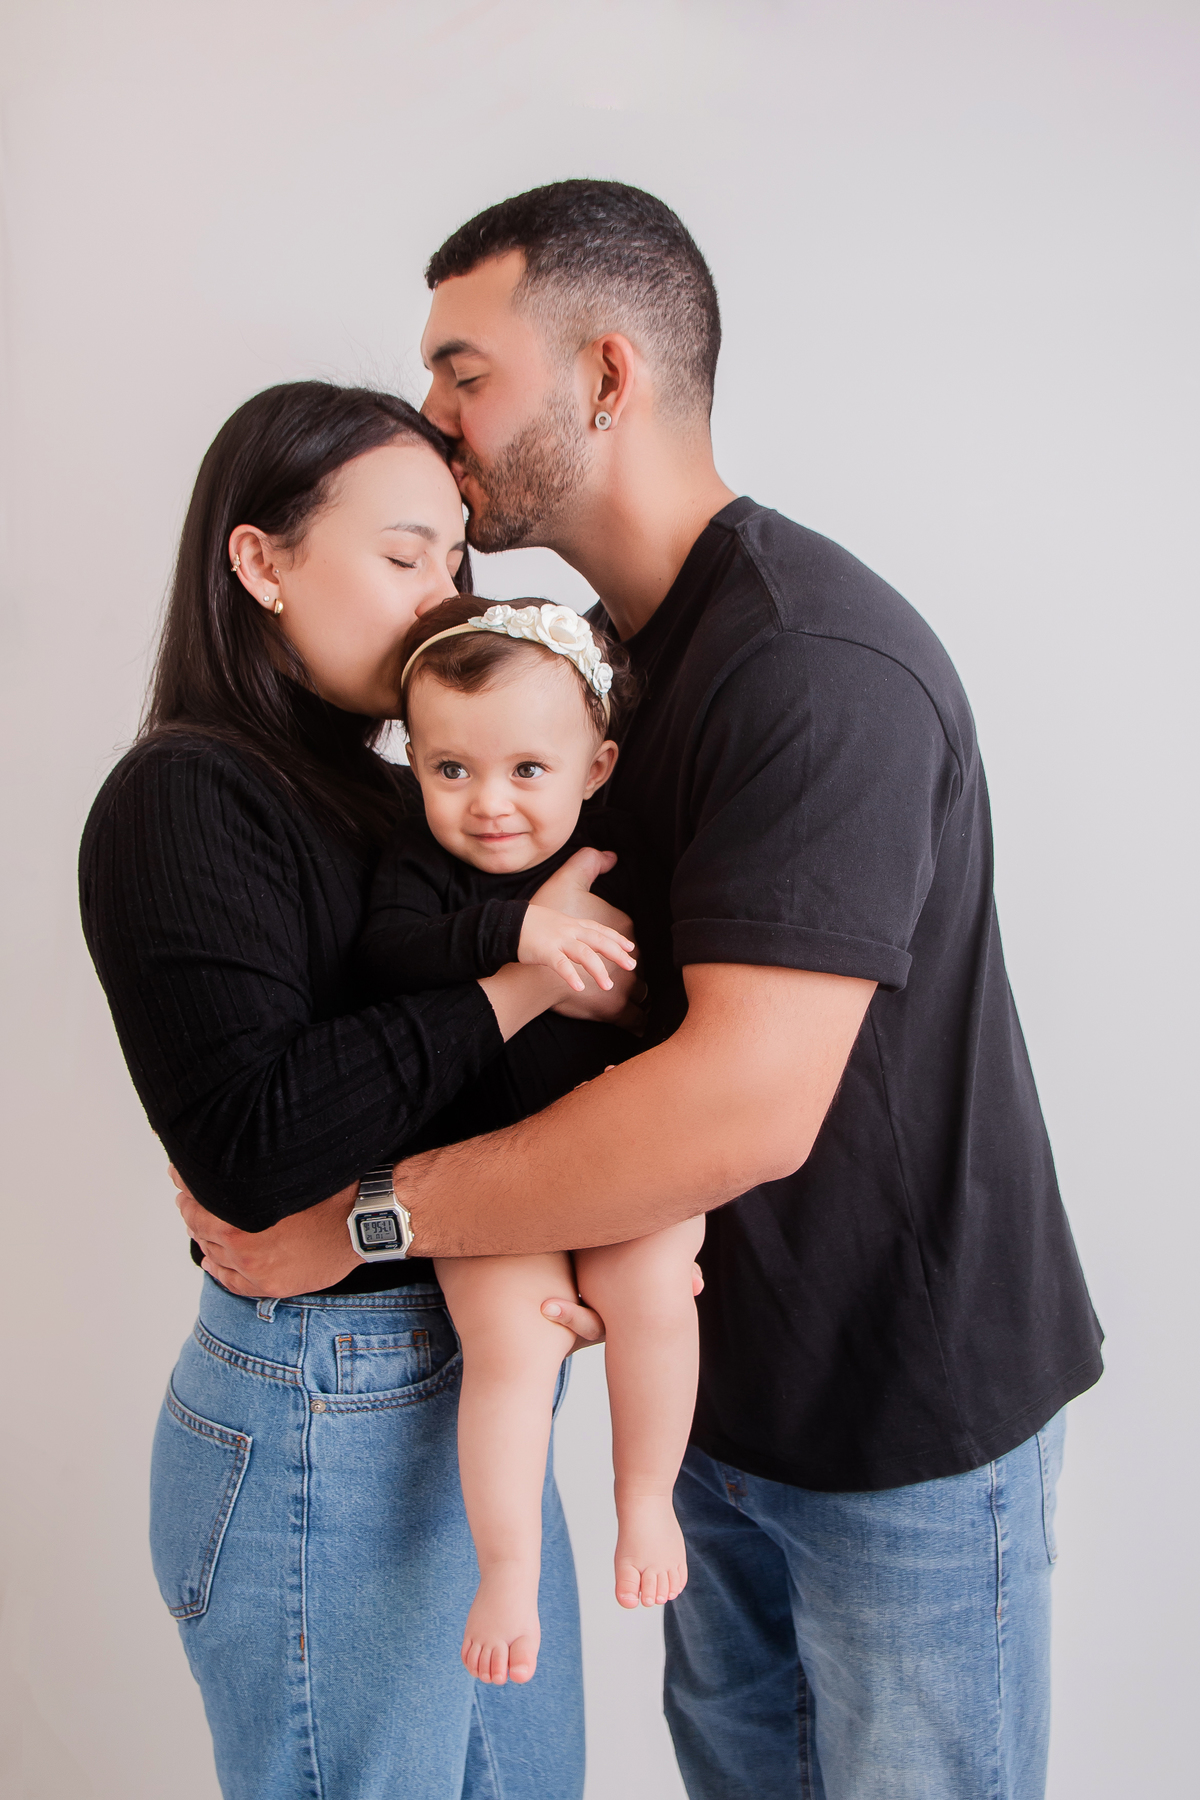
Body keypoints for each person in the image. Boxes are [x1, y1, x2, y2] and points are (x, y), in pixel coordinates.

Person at [175, 182, 1104, 1800]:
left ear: (607, 376)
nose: (431, 414)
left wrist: (365, 1222)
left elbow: (740, 1106)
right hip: (718, 1413)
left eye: (465, 372)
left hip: (902, 1436)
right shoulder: (588, 667)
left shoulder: (813, 668)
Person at [78, 381, 641, 1800]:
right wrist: (520, 981)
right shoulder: (183, 798)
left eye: (456, 560)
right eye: (403, 556)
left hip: (459, 1381)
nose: (443, 596)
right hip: (320, 1409)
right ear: (261, 562)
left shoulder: (414, 802)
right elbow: (259, 1144)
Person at [358, 592, 704, 1686]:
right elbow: (387, 957)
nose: (489, 803)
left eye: (527, 771)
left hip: (614, 1152)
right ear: (415, 761)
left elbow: (677, 1005)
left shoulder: (620, 861)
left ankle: (645, 1499)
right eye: (451, 769)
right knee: (509, 1350)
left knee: (656, 1285)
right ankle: (508, 1569)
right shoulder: (419, 874)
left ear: (594, 769)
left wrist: (624, 998)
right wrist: (519, 930)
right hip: (480, 1174)